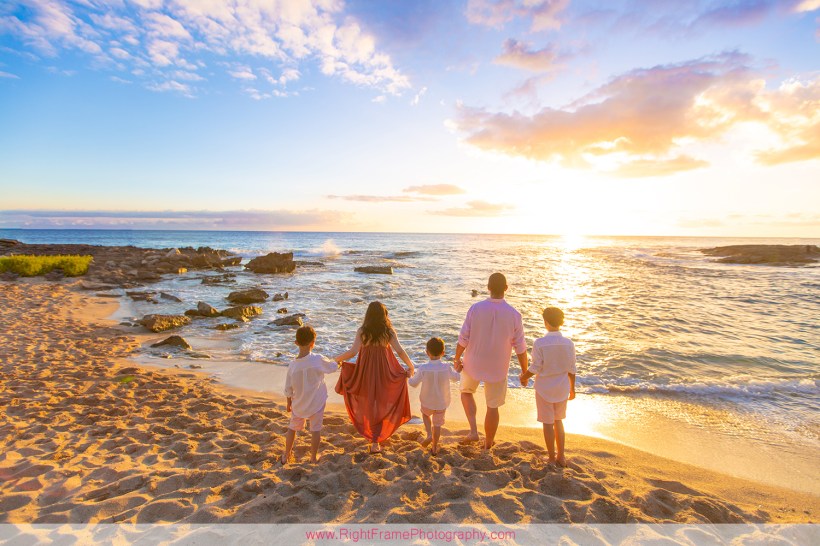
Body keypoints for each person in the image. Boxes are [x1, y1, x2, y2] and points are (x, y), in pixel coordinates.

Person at [454, 272, 527, 449]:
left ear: (488, 288)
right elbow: (521, 347)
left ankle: (473, 431)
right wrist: (525, 372)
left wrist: (457, 358)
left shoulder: (476, 308)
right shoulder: (514, 314)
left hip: (473, 362)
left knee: (466, 392)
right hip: (497, 366)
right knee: (492, 406)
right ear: (506, 288)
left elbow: (463, 337)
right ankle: (487, 444)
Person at [334, 301, 415, 454]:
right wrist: (411, 366)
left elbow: (353, 352)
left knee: (370, 402)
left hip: (366, 371)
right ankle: (376, 439)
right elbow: (400, 351)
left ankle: (375, 437)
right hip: (383, 371)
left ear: (368, 315)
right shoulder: (388, 332)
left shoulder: (363, 331)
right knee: (382, 400)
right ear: (384, 316)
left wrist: (336, 359)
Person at [520, 306, 576, 467]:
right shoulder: (568, 343)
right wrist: (573, 388)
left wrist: (524, 377)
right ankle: (561, 456)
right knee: (559, 421)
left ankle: (551, 457)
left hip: (544, 389)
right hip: (562, 388)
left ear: (545, 322)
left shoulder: (540, 343)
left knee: (547, 423)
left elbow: (536, 366)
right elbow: (572, 369)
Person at [281, 325, 339, 465]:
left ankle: (286, 455)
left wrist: (289, 403)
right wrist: (339, 363)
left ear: (296, 343)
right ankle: (313, 457)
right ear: (313, 343)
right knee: (315, 430)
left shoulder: (293, 365)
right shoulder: (317, 359)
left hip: (299, 403)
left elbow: (288, 387)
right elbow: (332, 367)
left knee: (292, 428)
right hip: (316, 403)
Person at [408, 337, 460, 455]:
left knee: (426, 415)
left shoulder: (423, 368)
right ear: (443, 353)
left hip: (427, 402)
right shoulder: (446, 367)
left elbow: (413, 383)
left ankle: (429, 434)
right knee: (437, 424)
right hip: (442, 403)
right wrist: (458, 370)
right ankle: (435, 447)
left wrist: (410, 375)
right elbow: (456, 378)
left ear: (427, 353)